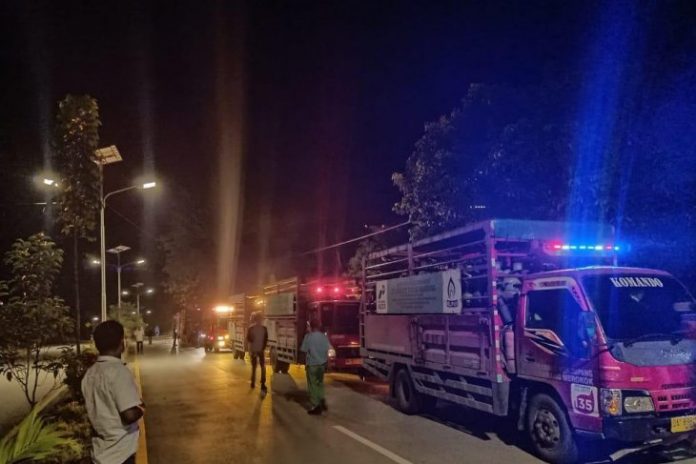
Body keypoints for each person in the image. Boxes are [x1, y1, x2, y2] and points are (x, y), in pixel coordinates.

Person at [82, 320, 145, 464]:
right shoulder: (119, 372)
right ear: (122, 342)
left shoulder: (90, 373)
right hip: (120, 453)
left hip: (100, 452)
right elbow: (129, 415)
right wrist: (142, 407)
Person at [300, 318, 331, 415]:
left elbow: (304, 350)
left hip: (312, 364)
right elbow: (328, 350)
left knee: (312, 385)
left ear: (311, 326)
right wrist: (327, 362)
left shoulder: (308, 337)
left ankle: (315, 405)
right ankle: (321, 400)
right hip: (322, 364)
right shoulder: (323, 337)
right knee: (320, 383)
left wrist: (305, 363)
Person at [246, 312, 268, 391]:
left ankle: (253, 382)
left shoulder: (251, 328)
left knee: (254, 367)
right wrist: (262, 348)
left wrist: (251, 351)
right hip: (260, 350)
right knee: (262, 367)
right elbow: (265, 340)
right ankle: (262, 384)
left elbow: (249, 340)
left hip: (254, 350)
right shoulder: (264, 328)